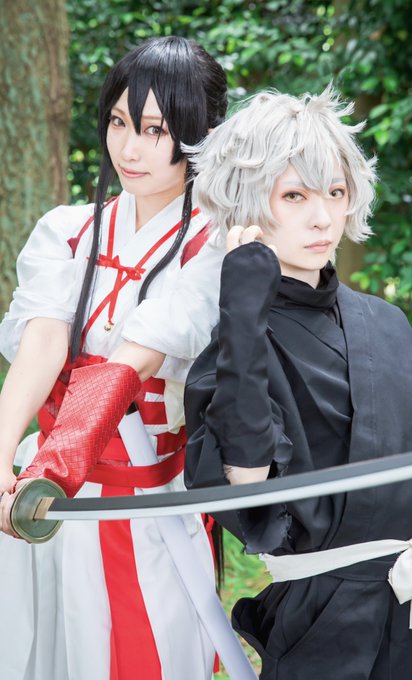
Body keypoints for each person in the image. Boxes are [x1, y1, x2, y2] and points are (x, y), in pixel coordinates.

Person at [183, 87, 412, 679]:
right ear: (248, 204)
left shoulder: (386, 322)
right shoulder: (233, 350)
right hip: (326, 625)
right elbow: (247, 485)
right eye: (294, 195)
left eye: (334, 192)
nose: (323, 217)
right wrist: (243, 315)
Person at [0, 36, 228, 680]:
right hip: (41, 496)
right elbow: (43, 342)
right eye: (120, 123)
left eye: (157, 130)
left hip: (145, 501)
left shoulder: (216, 245)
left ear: (200, 134)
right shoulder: (67, 229)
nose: (129, 149)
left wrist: (57, 467)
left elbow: (136, 358)